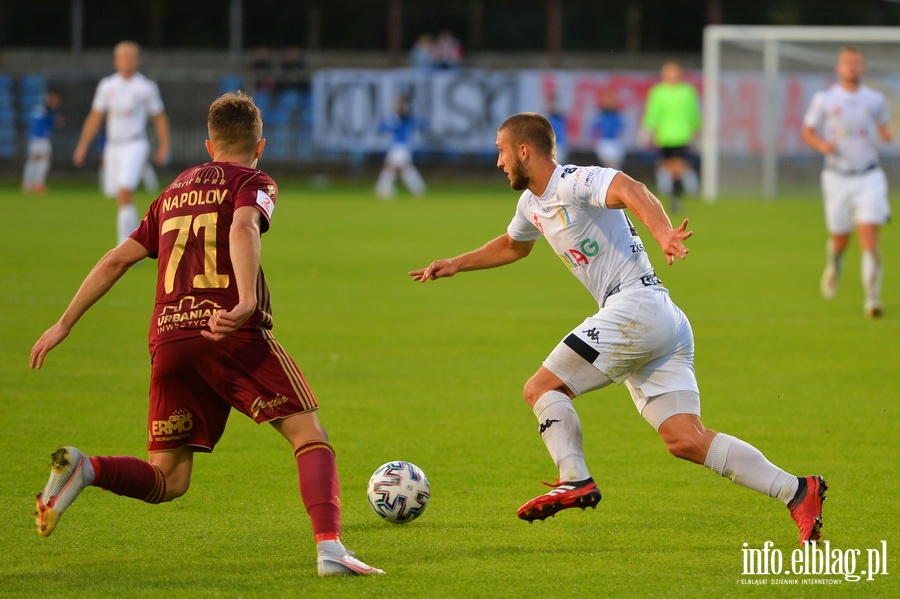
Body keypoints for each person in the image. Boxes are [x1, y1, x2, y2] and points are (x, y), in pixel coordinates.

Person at [409, 112, 826, 545]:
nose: (498, 162)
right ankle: (797, 490)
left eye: (500, 150)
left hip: (635, 307)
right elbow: (514, 245)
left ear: (524, 151)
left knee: (541, 389)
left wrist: (663, 232)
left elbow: (631, 188)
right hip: (660, 318)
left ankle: (574, 478)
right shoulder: (531, 203)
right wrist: (455, 264)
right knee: (685, 438)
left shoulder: (572, 181)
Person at [31, 92, 383, 577]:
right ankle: (330, 550)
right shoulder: (254, 181)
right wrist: (243, 302)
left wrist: (63, 323)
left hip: (169, 338)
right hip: (228, 331)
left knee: (169, 478)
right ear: (260, 146)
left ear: (208, 144)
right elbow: (243, 226)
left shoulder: (172, 192)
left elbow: (116, 259)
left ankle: (87, 468)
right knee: (309, 435)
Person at [801, 47, 892, 319]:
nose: (852, 67)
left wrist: (887, 133)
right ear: (838, 68)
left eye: (857, 63)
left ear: (863, 68)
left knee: (869, 238)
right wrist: (821, 145)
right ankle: (834, 263)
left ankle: (872, 300)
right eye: (847, 63)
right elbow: (807, 131)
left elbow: (886, 129)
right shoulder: (826, 98)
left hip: (869, 175)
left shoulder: (875, 99)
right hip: (836, 176)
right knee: (841, 239)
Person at [73, 41, 171, 245]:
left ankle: (124, 245)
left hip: (134, 144)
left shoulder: (145, 87)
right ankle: (141, 241)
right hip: (113, 146)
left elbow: (159, 117)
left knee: (125, 192)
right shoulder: (107, 86)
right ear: (116, 61)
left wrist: (164, 145)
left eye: (130, 58)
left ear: (137, 61)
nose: (126, 62)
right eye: (122, 58)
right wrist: (83, 146)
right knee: (118, 195)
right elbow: (96, 116)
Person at [640, 61, 701, 212]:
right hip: (664, 135)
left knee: (677, 165)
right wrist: (647, 129)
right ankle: (676, 192)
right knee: (667, 165)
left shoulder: (687, 91)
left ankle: (676, 196)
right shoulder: (658, 92)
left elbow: (693, 112)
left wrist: (697, 129)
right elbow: (653, 112)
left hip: (681, 135)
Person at [375, 96, 427, 199]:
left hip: (402, 146)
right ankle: (418, 188)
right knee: (401, 169)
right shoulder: (397, 118)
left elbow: (422, 124)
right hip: (397, 146)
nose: (397, 106)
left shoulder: (405, 117)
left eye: (399, 103)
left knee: (395, 168)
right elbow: (382, 127)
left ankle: (384, 190)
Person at [22, 89, 63, 195]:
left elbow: (50, 123)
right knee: (38, 159)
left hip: (41, 138)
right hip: (38, 139)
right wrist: (45, 133)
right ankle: (33, 183)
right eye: (54, 99)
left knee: (40, 160)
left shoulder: (49, 111)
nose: (56, 102)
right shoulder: (41, 110)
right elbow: (36, 124)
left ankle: (33, 183)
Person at [592, 88, 625, 170]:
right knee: (608, 163)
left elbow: (622, 127)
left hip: (615, 141)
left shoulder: (618, 113)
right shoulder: (599, 113)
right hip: (604, 141)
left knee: (613, 164)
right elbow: (595, 128)